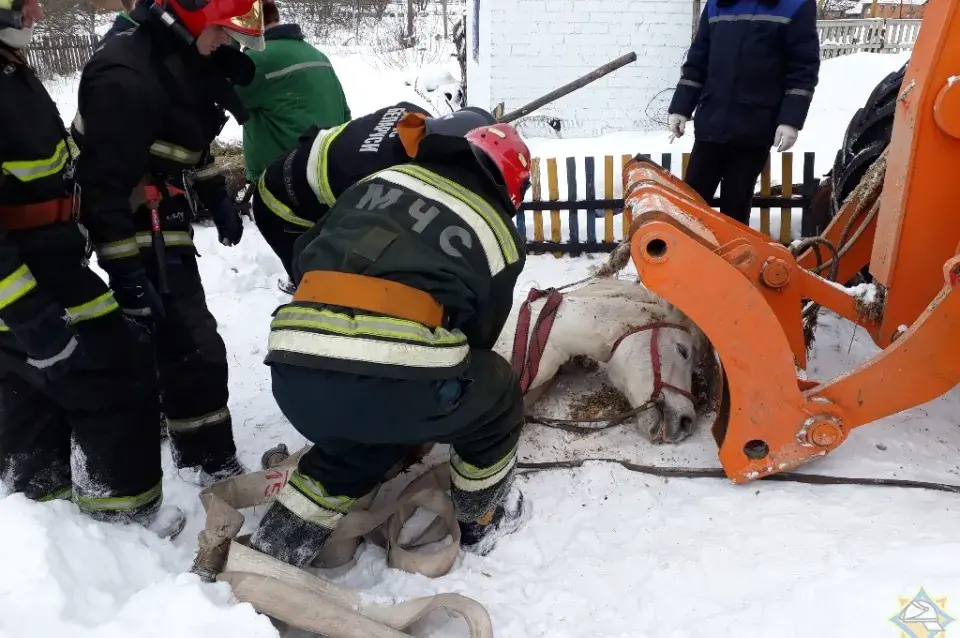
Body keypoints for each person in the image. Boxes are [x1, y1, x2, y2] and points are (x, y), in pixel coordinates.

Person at [248, 121, 533, 567]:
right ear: (513, 185)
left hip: (293, 373)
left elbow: (304, 254)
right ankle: (483, 515)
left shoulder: (378, 180)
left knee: (360, 443)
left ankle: (278, 544)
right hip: (391, 386)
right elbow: (478, 340)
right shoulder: (496, 231)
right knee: (496, 390)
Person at [0, 0, 183, 536]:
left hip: (44, 266)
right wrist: (31, 316)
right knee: (116, 372)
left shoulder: (10, 70)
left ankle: (45, 517)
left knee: (26, 394)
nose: (35, 12)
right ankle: (125, 522)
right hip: (31, 284)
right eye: (21, 2)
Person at [71, 0, 263, 486]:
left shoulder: (186, 60)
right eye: (222, 30)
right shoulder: (125, 77)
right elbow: (102, 190)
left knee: (184, 342)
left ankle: (201, 451)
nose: (227, 42)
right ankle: (207, 460)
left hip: (161, 209)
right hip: (126, 214)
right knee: (191, 343)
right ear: (192, 16)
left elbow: (188, 142)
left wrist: (216, 192)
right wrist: (128, 274)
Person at [252, 102, 498, 282]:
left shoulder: (410, 113)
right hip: (280, 208)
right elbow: (365, 243)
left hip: (298, 164)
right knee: (320, 286)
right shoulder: (384, 177)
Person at [667, 0, 820, 226]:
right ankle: (686, 259)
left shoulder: (796, 4)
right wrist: (681, 106)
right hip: (712, 125)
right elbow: (698, 60)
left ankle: (730, 260)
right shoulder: (717, 5)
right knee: (691, 206)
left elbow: (803, 68)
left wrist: (790, 120)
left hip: (755, 129)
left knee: (735, 212)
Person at [234, 0, 351, 187]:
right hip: (329, 165)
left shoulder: (257, 60)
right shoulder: (318, 55)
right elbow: (345, 112)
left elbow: (218, 93)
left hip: (285, 176)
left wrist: (229, 49)